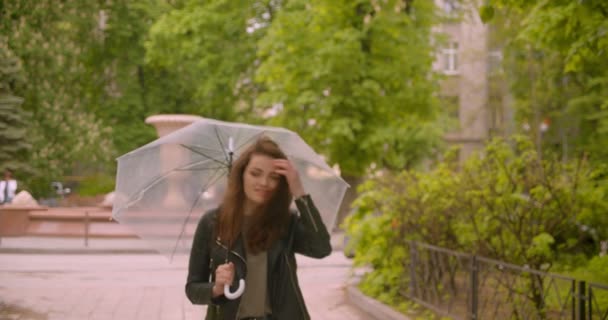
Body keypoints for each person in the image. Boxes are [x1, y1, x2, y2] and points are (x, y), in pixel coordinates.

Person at [185, 136, 332, 320]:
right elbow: (192, 289)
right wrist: (216, 288)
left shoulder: (286, 222)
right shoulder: (212, 222)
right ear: (241, 175)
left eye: (274, 177)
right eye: (256, 173)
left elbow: (321, 248)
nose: (264, 183)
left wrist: (299, 191)